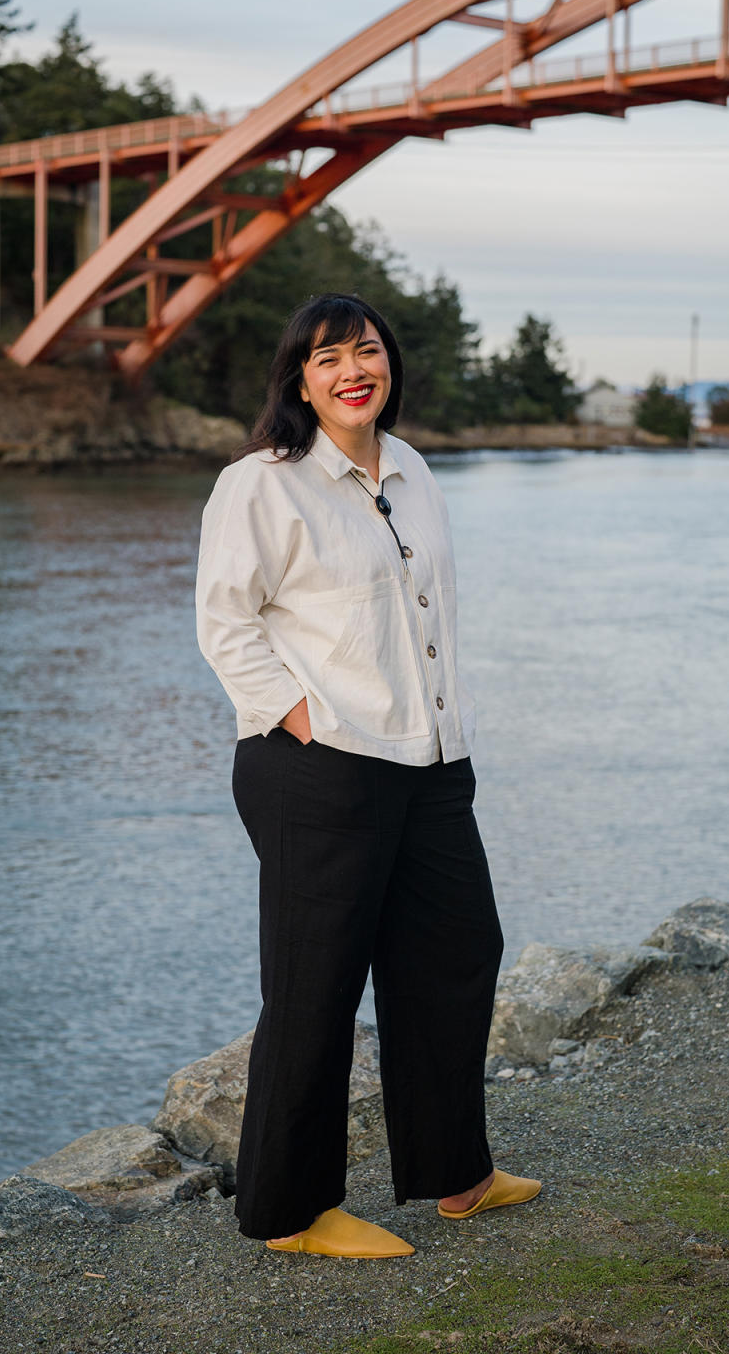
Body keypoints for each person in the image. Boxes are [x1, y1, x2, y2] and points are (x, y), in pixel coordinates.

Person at [195, 292, 541, 1259]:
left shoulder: (415, 469)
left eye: (368, 351)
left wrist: (445, 731)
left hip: (428, 761)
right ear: (298, 380)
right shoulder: (262, 484)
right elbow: (226, 623)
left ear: (390, 365)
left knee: (457, 954)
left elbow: (426, 616)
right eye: (328, 357)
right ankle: (291, 1214)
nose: (354, 369)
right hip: (317, 766)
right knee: (315, 988)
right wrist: (306, 717)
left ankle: (456, 1175)